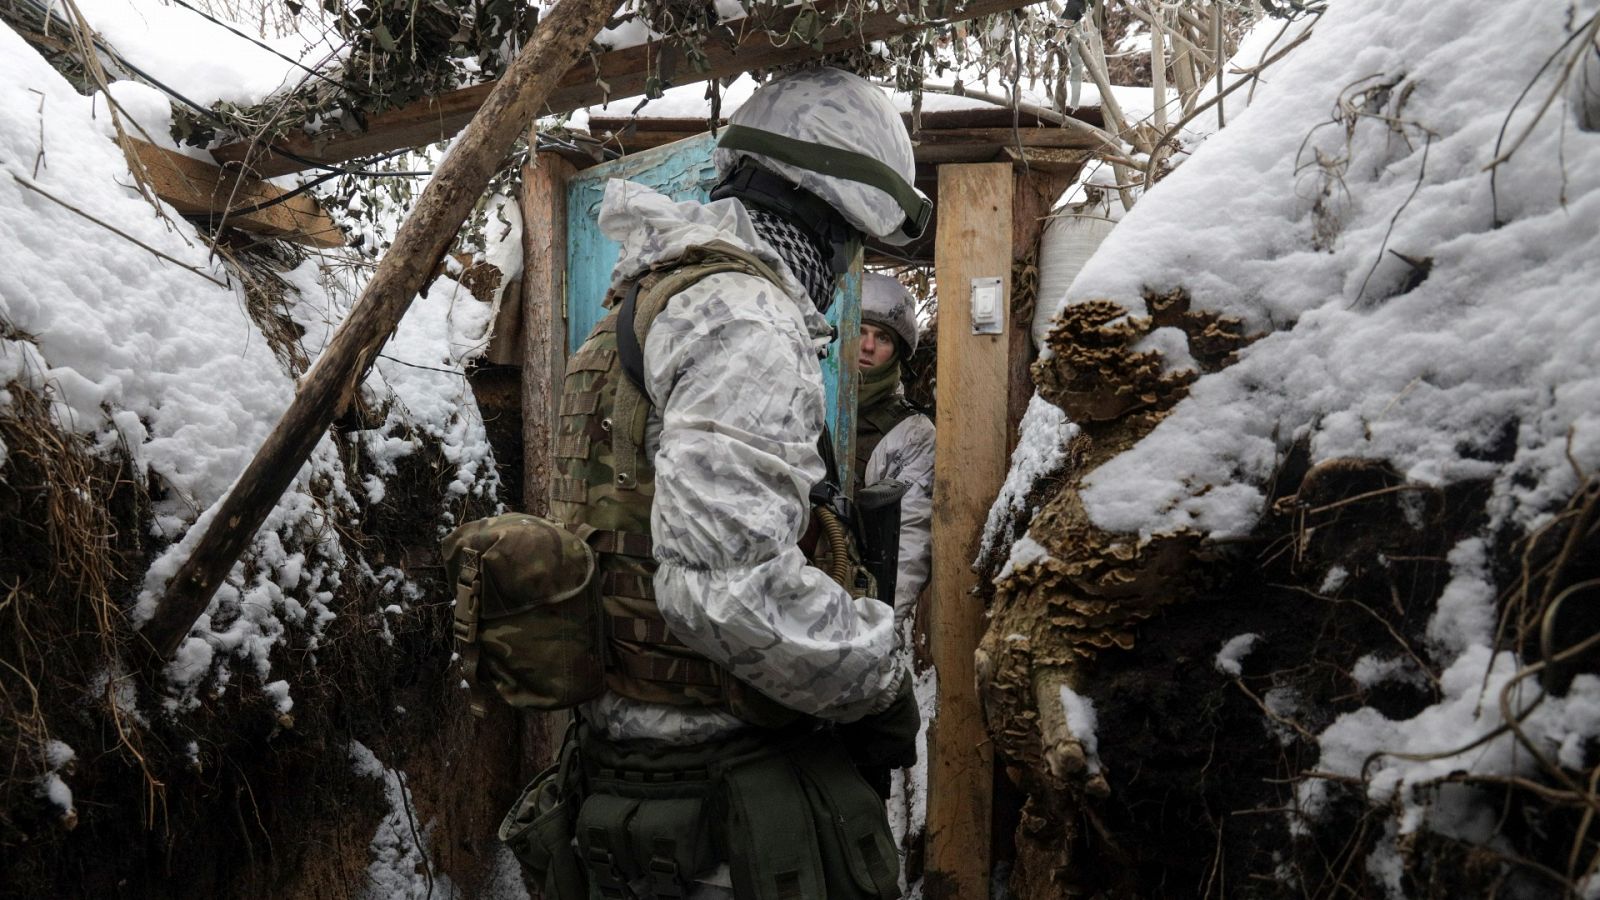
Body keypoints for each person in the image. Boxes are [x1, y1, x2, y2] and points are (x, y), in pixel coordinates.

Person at [515, 67, 932, 900]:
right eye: (850, 243)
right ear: (826, 218)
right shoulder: (740, 316)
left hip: (628, 776)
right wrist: (877, 669)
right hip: (714, 806)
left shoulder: (645, 298)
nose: (846, 267)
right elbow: (725, 590)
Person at [854, 273, 936, 638]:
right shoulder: (804, 397)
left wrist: (879, 632)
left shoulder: (911, 433)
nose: (867, 346)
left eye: (882, 337)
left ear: (897, 351)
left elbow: (907, 542)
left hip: (853, 600)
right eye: (860, 330)